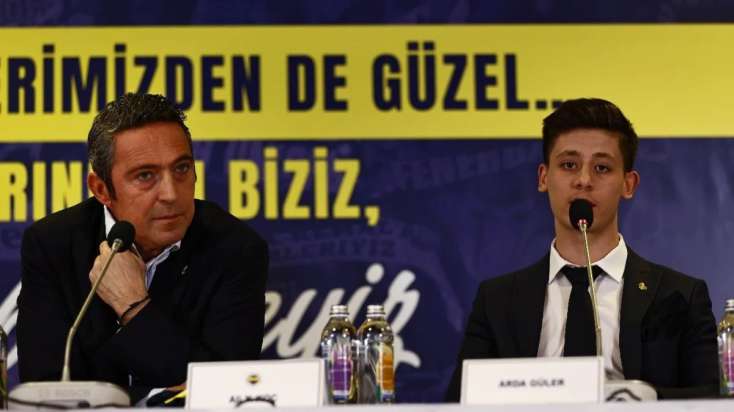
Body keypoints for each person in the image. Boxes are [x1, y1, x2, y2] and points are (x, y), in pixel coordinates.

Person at [445, 98, 718, 401]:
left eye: (602, 168)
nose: (584, 180)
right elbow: (460, 402)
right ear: (544, 178)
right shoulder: (497, 300)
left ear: (628, 184)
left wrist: (638, 398)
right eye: (569, 165)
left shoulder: (680, 296)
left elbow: (709, 401)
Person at [17, 93, 269, 402]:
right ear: (101, 189)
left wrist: (133, 306)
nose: (171, 194)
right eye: (145, 176)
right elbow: (46, 389)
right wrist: (159, 394)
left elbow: (223, 392)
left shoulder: (236, 249)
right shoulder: (52, 245)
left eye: (181, 169)